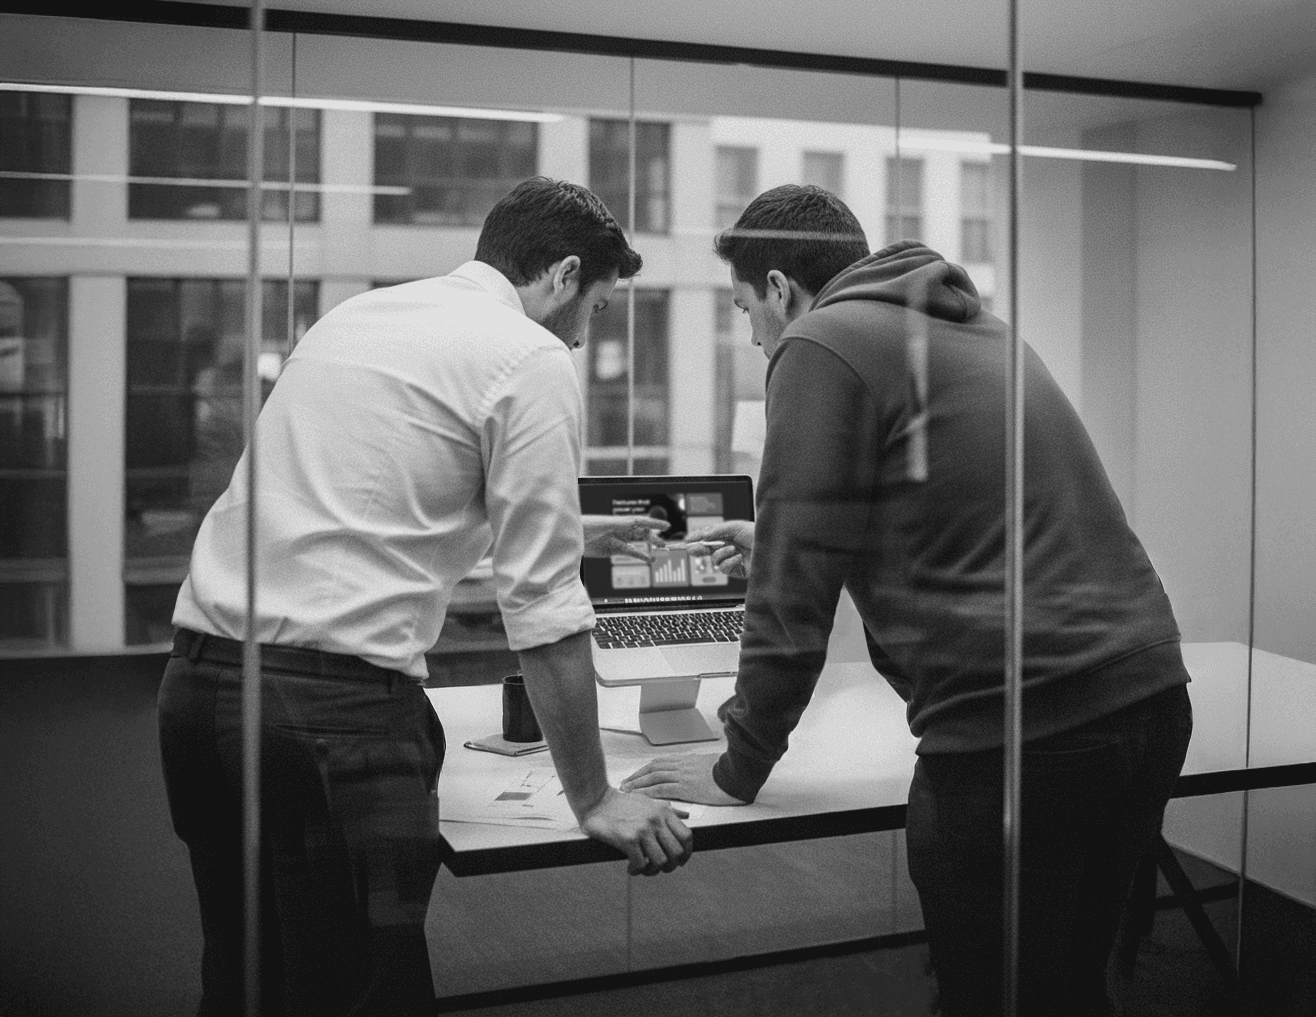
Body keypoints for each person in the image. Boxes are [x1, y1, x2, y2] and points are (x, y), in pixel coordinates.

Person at [621, 184, 1193, 1016]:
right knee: (1066, 985)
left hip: (1026, 737)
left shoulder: (820, 342)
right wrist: (778, 540)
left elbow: (793, 595)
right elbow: (953, 515)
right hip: (1146, 702)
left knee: (989, 996)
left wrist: (737, 764)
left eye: (746, 308)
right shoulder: (979, 329)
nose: (751, 334)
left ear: (779, 288)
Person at [158, 177, 693, 1017]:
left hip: (199, 694)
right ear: (560, 275)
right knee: (361, 991)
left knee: (243, 976)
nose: (588, 337)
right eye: (596, 307)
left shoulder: (362, 317)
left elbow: (370, 505)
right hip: (332, 725)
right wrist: (594, 797)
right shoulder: (531, 355)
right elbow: (543, 605)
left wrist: (578, 531)